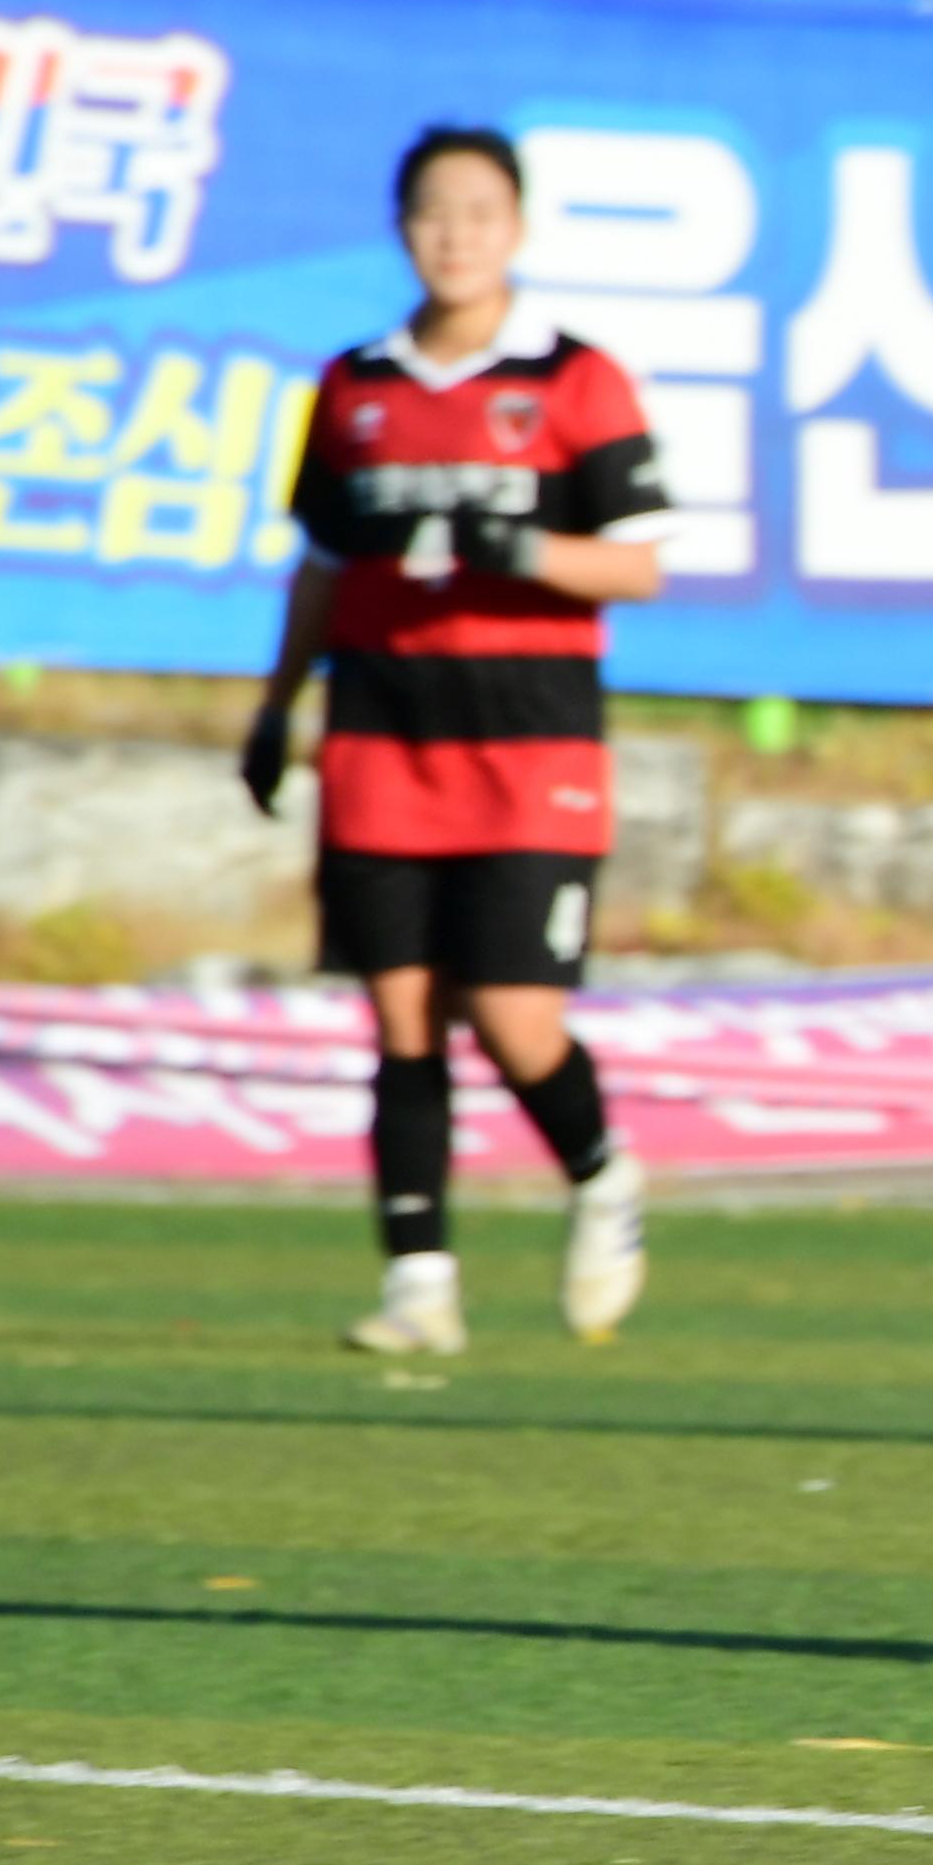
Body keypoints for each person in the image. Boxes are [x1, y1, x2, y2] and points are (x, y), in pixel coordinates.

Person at [244, 124, 671, 1359]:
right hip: (381, 733)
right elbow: (322, 564)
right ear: (401, 227)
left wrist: (520, 550)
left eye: (480, 213)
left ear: (517, 229)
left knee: (513, 1011)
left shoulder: (575, 378)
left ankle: (602, 1174)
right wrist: (278, 706)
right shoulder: (355, 387)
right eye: (434, 212)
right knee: (403, 1014)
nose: (456, 235)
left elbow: (637, 564)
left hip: (530, 748)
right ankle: (418, 1282)